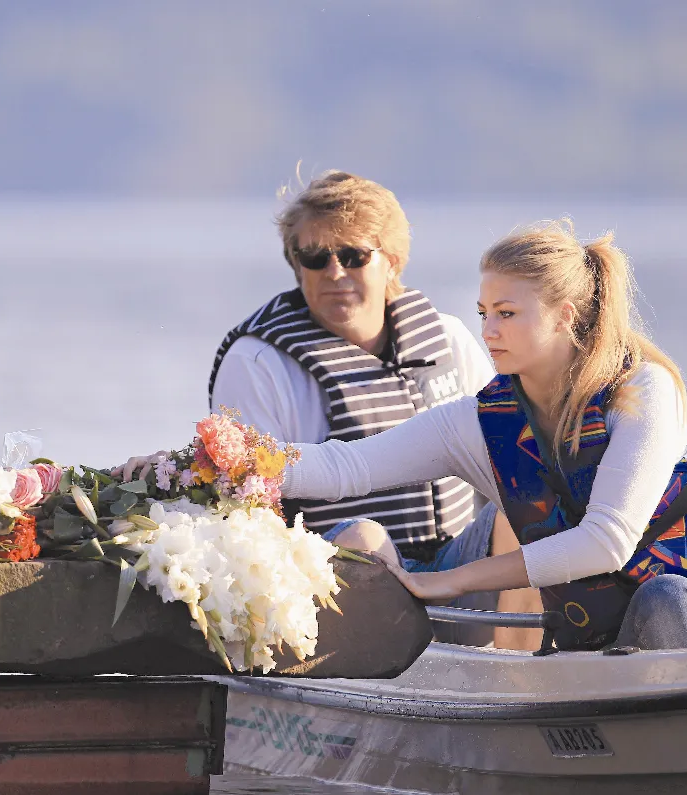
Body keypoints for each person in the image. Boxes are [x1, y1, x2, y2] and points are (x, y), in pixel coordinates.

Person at [272, 220, 687, 651]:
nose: (488, 332)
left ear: (564, 315)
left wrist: (452, 581)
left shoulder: (643, 389)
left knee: (664, 597)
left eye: (507, 313)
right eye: (483, 313)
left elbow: (606, 542)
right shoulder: (479, 421)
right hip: (612, 635)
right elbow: (347, 467)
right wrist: (240, 462)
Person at [207, 171, 497, 564]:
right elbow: (248, 515)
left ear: (391, 261)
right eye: (315, 257)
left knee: (523, 513)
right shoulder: (257, 363)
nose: (335, 272)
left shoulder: (448, 339)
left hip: (458, 564)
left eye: (353, 255)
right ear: (296, 264)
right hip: (338, 578)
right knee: (367, 537)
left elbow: (503, 458)